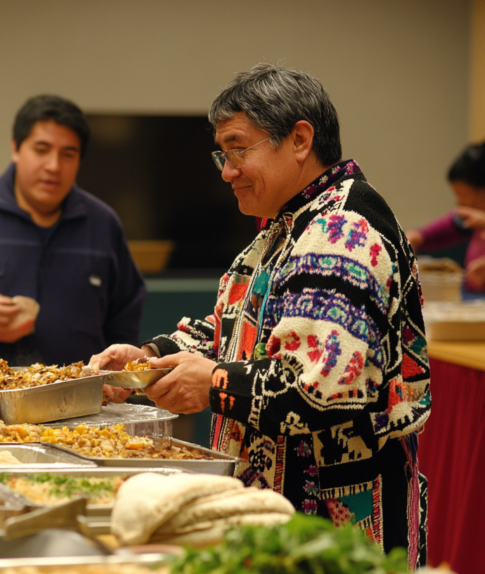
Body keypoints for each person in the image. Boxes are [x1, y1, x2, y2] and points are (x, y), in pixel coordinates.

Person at [91, 64, 430, 567]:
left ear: (299, 139)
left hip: (333, 518)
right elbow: (233, 332)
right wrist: (149, 359)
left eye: (238, 149)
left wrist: (215, 383)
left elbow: (323, 391)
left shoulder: (342, 230)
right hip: (278, 506)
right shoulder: (288, 224)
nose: (227, 171)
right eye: (221, 154)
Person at [0, 94, 145, 366]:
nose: (53, 166)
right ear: (16, 148)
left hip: (81, 401)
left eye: (68, 154)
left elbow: (125, 318)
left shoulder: (103, 224)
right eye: (41, 150)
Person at [406, 142, 485, 291]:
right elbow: (442, 229)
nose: (460, 202)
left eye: (464, 195)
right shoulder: (470, 217)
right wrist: (417, 236)